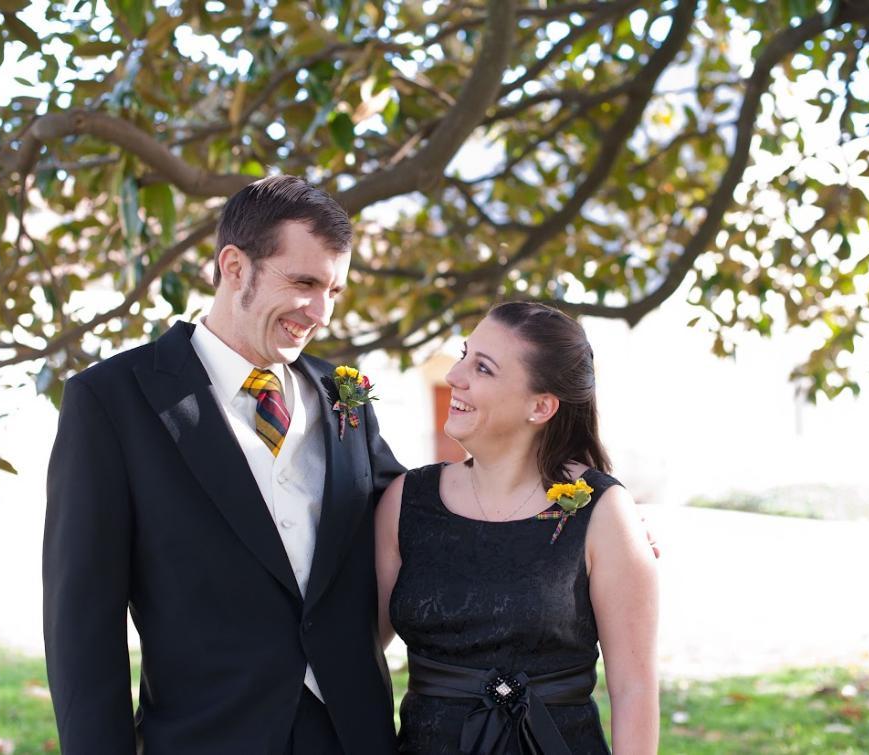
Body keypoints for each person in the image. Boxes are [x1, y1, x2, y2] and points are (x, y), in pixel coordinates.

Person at [43, 175, 404, 754]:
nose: (320, 312)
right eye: (304, 282)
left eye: (333, 290)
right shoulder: (112, 401)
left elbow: (412, 515)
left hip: (350, 737)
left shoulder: (345, 395)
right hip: (206, 736)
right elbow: (82, 628)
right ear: (234, 266)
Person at [375, 301, 660, 754]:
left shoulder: (602, 511)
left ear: (541, 406)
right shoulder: (407, 501)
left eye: (483, 368)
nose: (455, 375)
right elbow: (355, 646)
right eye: (465, 354)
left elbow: (634, 690)